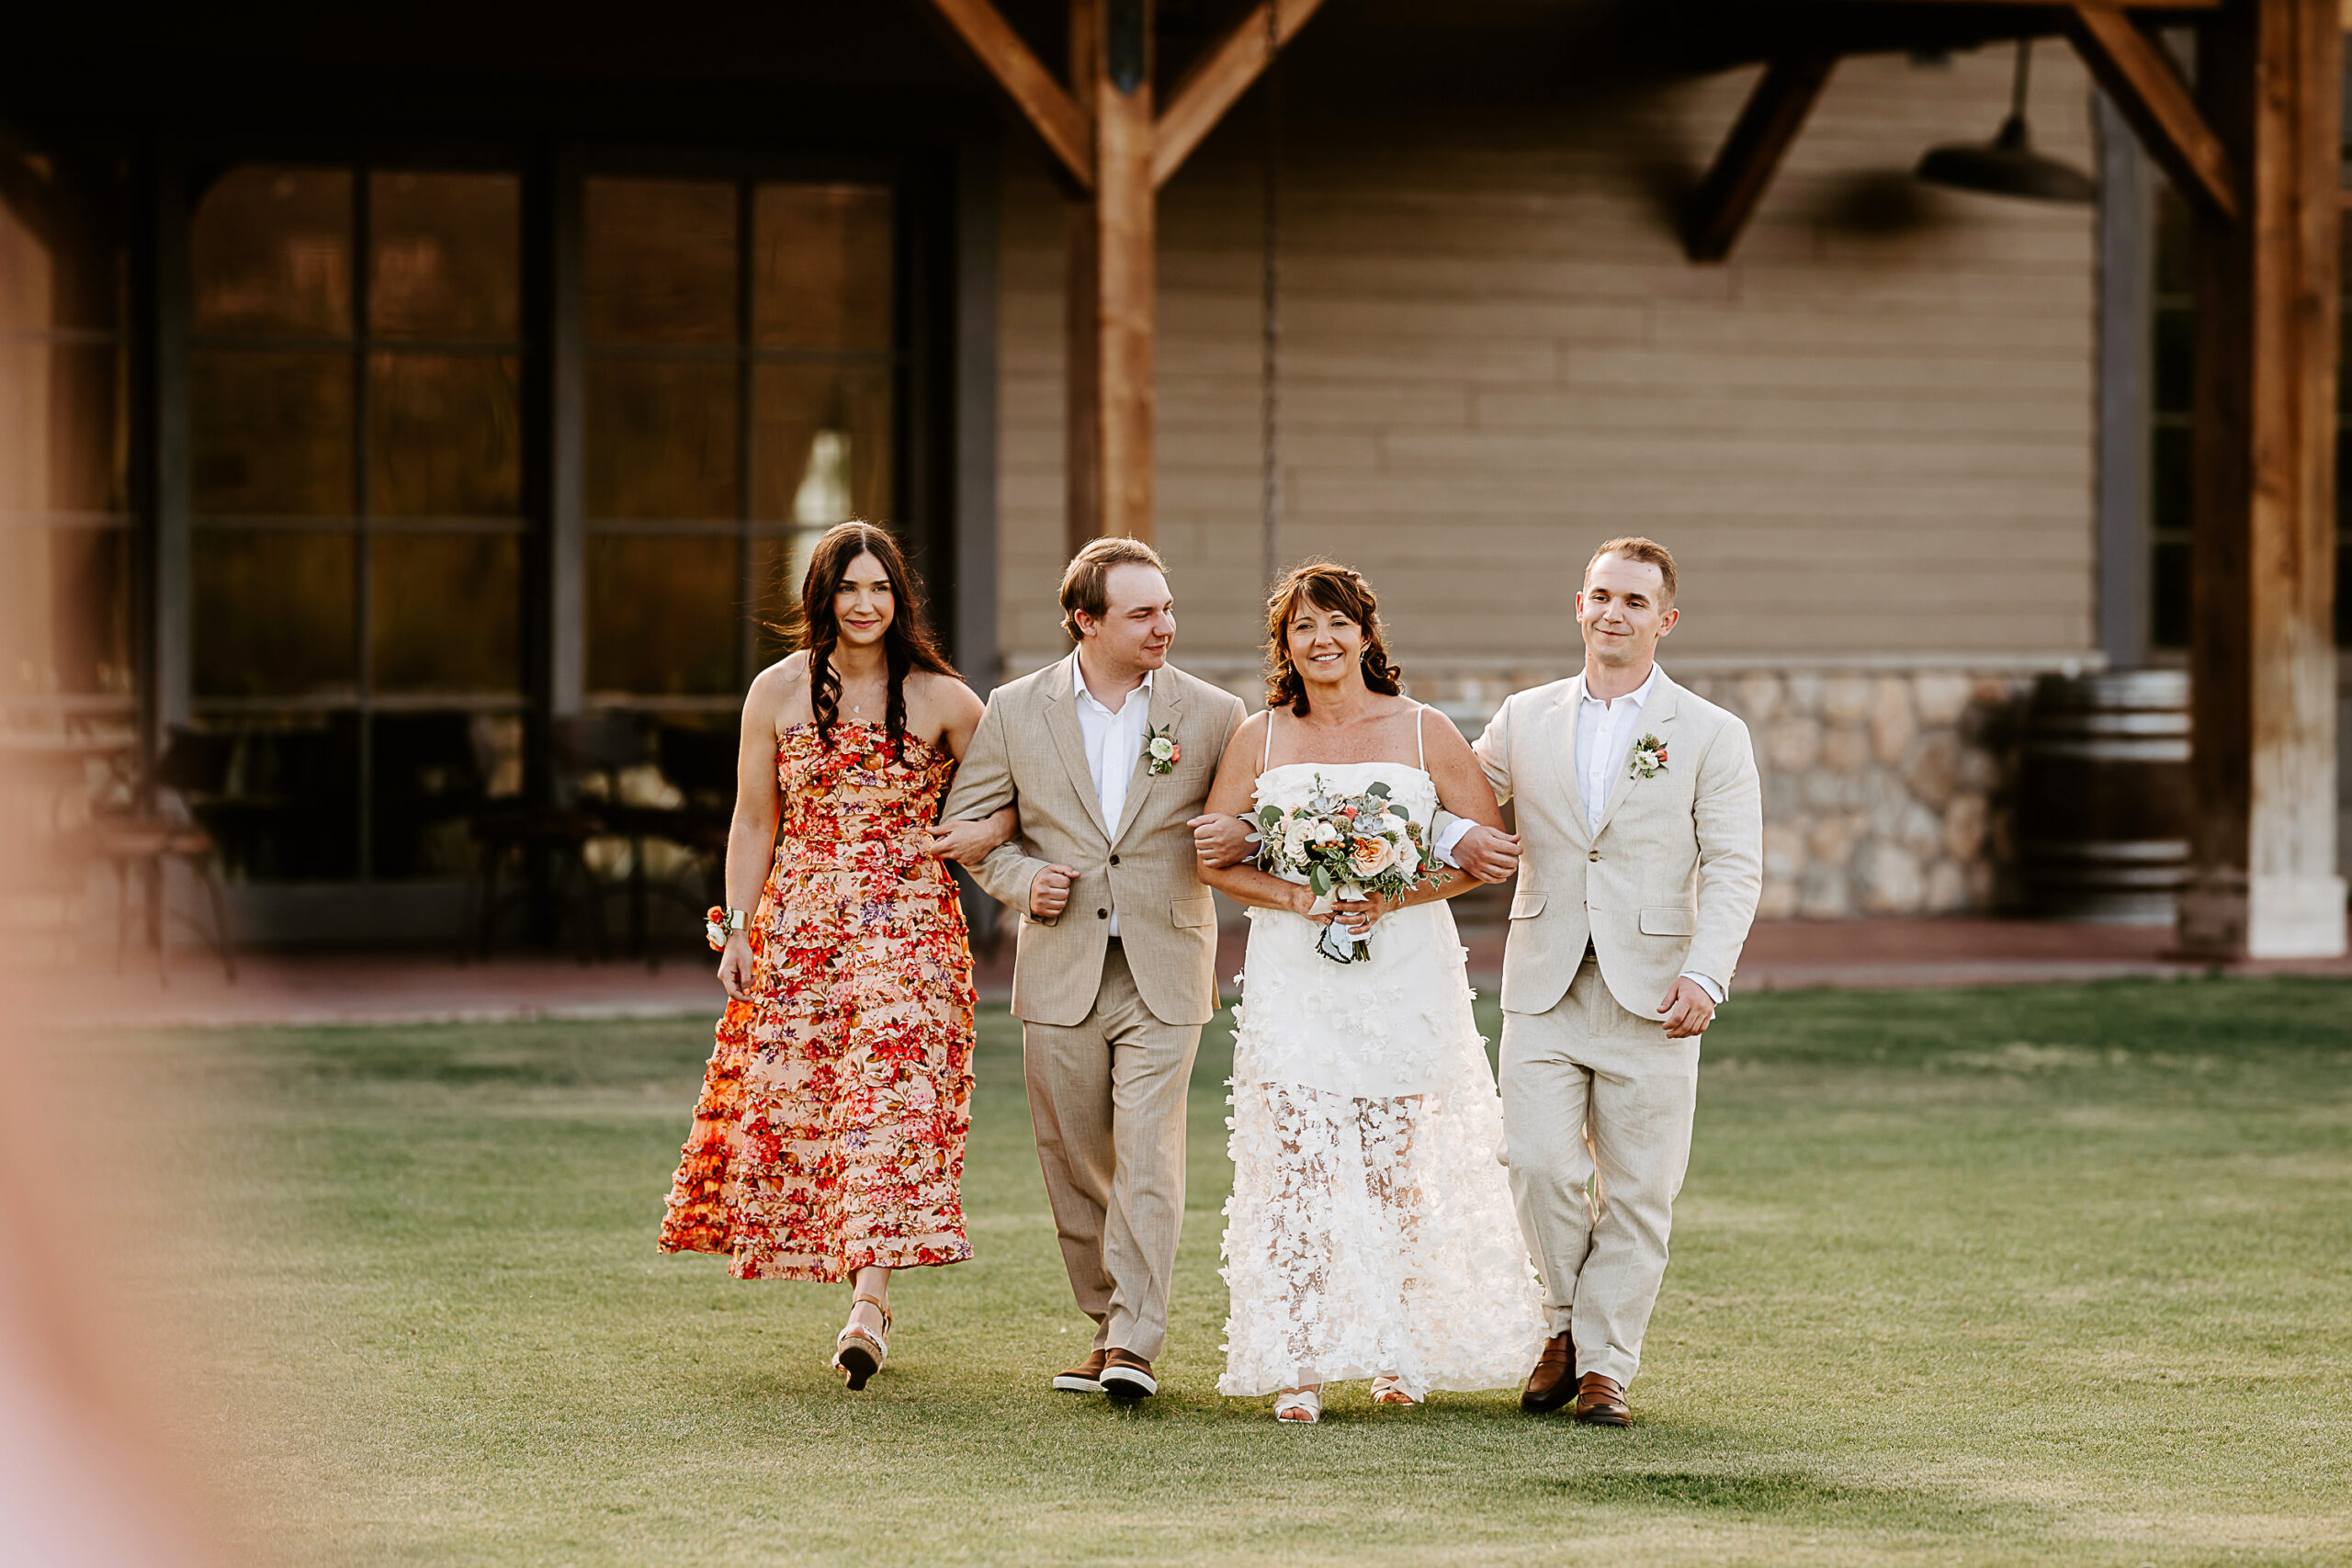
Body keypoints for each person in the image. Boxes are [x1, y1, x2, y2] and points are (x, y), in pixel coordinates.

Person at [659, 520, 1014, 1391]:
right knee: (817, 1106)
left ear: (901, 599)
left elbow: (1014, 801)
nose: (865, 605)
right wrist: (736, 926)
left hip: (912, 930)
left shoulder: (942, 697)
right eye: (849, 588)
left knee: (886, 1104)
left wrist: (981, 830)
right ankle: (864, 1291)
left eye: (881, 589)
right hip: (805, 928)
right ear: (822, 597)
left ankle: (868, 1302)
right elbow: (753, 820)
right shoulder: (774, 692)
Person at [1193, 561, 1545, 1424]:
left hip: (1403, 971)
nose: (1322, 640)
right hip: (1295, 972)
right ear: (1285, 645)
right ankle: (1301, 1361)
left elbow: (1484, 856)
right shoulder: (1260, 736)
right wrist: (1307, 895)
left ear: (1366, 634)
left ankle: (1397, 1348)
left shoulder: (1425, 731)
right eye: (1302, 628)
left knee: (1394, 1169)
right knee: (1301, 1170)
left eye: (1336, 623)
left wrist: (1393, 892)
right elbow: (1215, 856)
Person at [1438, 536, 1763, 1427]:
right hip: (1542, 981)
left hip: (1657, 994)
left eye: (1633, 601)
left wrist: (1706, 974)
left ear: (1665, 619)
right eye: (1600, 596)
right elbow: (1458, 803)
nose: (1613, 613)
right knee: (1536, 1165)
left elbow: (1735, 867)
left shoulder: (1710, 732)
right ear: (1577, 606)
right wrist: (1450, 842)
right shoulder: (1524, 716)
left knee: (1639, 1191)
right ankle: (1562, 1324)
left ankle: (1601, 1369)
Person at [938, 537, 1247, 1403]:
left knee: (1150, 1152)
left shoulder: (1216, 713)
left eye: (1168, 608)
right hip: (1060, 961)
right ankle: (1106, 1322)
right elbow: (967, 825)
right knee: (1073, 1158)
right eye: (1143, 613)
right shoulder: (1014, 707)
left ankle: (1136, 1345)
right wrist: (1017, 879)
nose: (1164, 626)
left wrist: (1244, 841)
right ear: (1086, 620)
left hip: (1168, 961)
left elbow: (1245, 822)